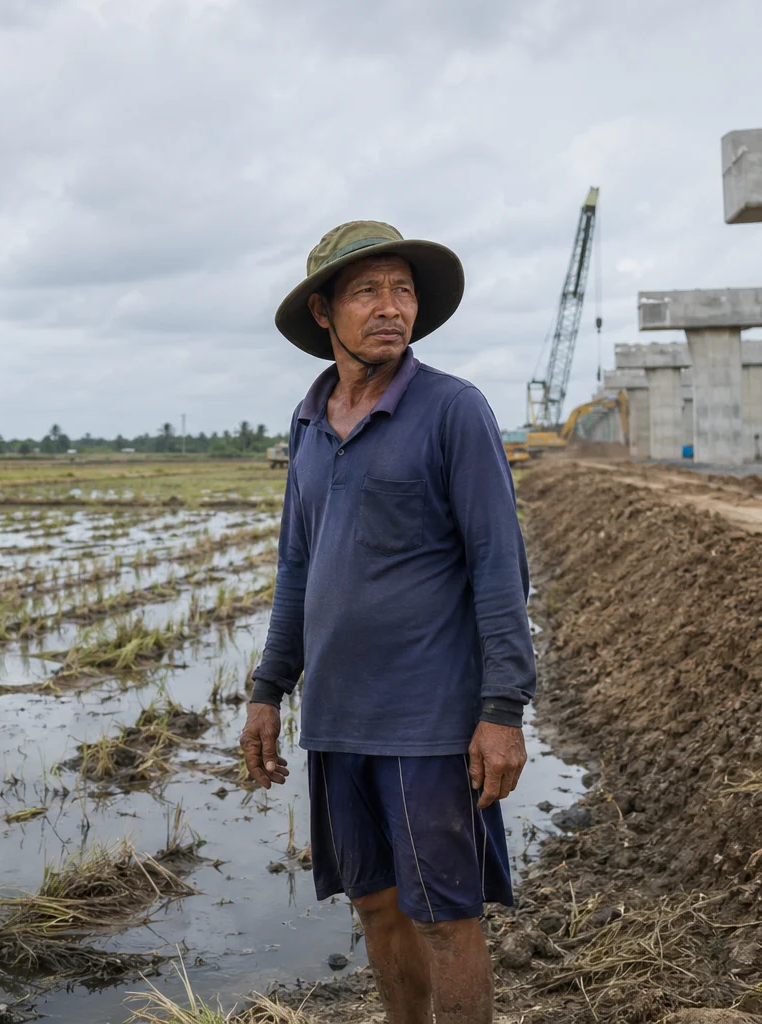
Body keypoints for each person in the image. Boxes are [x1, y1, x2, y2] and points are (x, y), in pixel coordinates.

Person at [240, 221, 537, 1024]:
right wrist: (268, 690)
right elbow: (296, 568)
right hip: (338, 718)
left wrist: (502, 710)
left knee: (444, 916)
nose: (391, 307)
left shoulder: (452, 410)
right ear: (322, 312)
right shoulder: (309, 422)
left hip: (429, 722)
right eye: (367, 290)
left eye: (402, 290)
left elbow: (499, 567)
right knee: (375, 904)